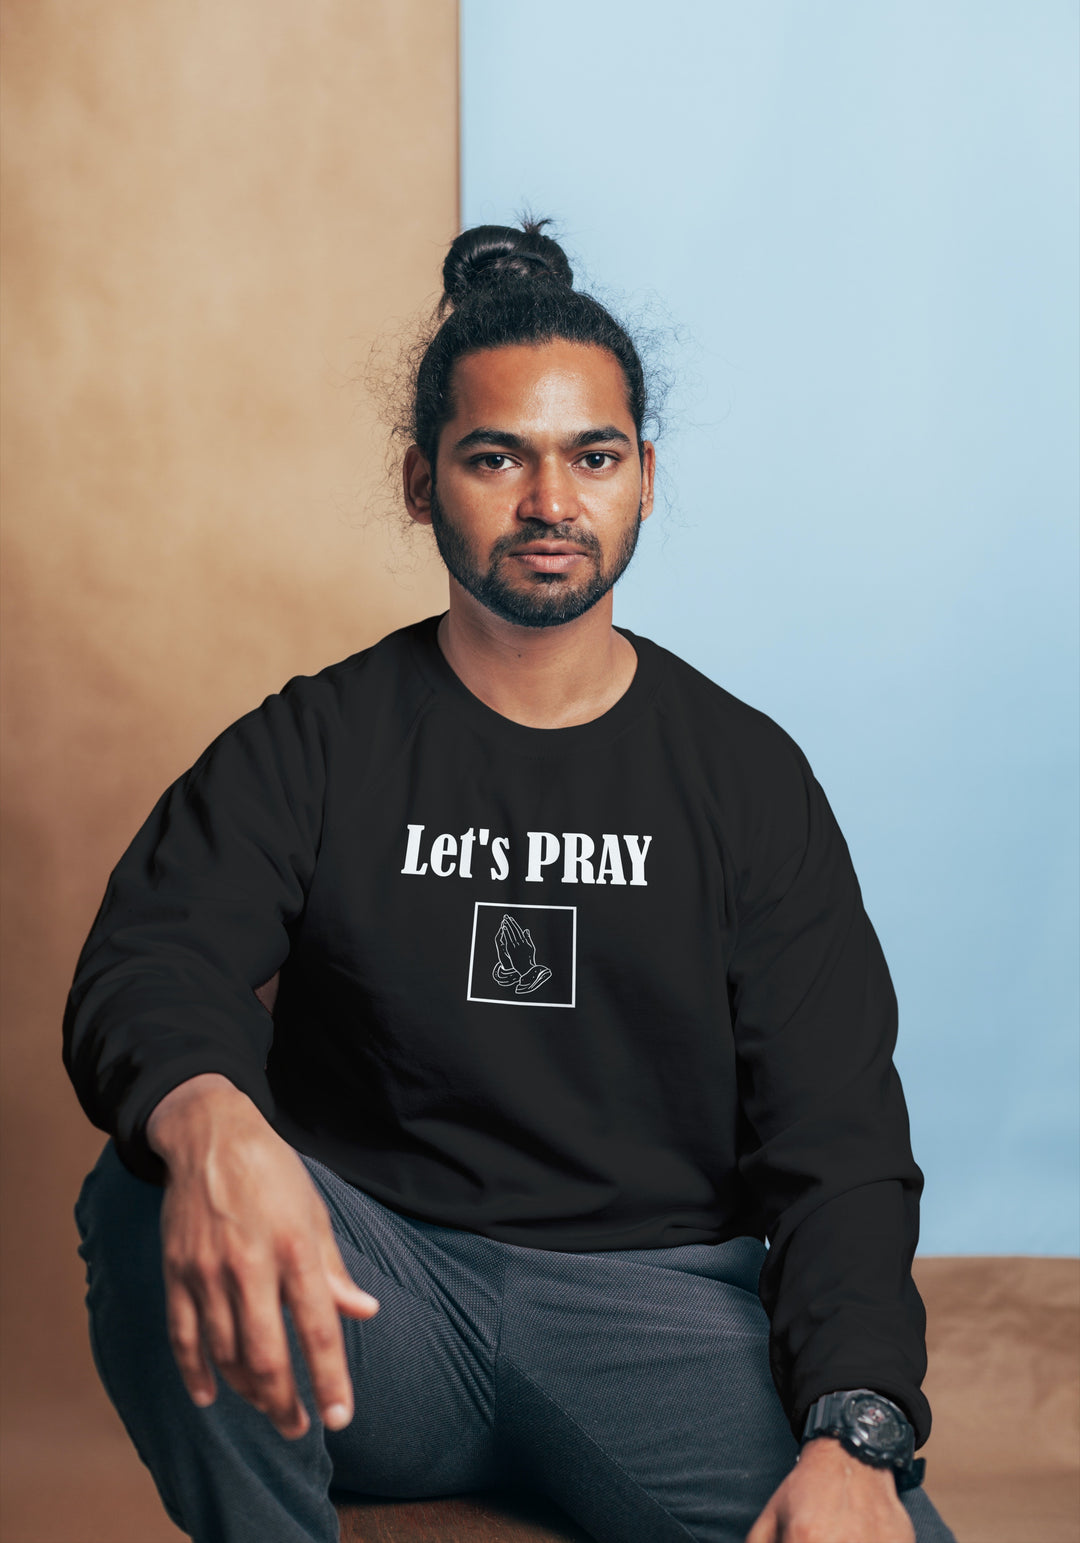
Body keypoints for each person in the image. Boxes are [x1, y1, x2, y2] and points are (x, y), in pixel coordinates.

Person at [65, 221, 957, 1543]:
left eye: (593, 457)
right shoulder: (318, 742)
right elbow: (153, 961)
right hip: (379, 1301)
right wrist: (212, 1126)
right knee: (145, 1181)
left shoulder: (745, 776)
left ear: (644, 478)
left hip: (658, 1318)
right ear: (420, 482)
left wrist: (856, 1429)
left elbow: (843, 1139)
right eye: (497, 457)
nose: (551, 502)